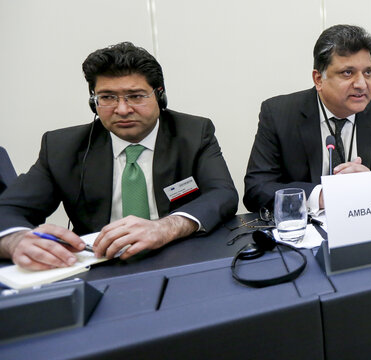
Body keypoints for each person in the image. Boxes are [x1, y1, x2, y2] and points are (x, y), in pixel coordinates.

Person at [0, 42, 238, 270]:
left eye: (136, 96)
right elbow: (8, 209)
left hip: (182, 256)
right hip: (102, 266)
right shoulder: (62, 148)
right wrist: (15, 240)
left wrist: (166, 227)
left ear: (159, 96)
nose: (122, 109)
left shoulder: (193, 133)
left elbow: (223, 193)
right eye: (107, 97)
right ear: (94, 102)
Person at [243, 24, 371, 212]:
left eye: (368, 72)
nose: (362, 84)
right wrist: (321, 197)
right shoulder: (279, 113)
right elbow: (256, 190)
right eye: (347, 72)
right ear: (318, 79)